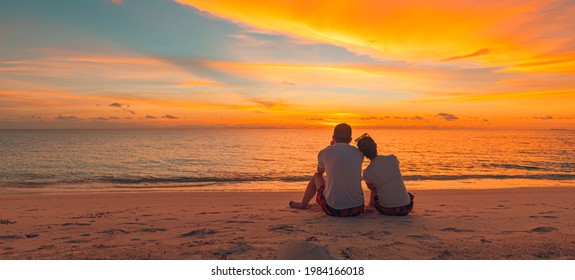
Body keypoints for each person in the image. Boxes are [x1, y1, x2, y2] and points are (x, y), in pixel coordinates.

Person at [289, 123, 365, 217]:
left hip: (333, 210)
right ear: (350, 139)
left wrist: (331, 147)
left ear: (333, 137)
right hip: (357, 209)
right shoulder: (359, 153)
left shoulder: (324, 152)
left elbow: (320, 172)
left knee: (316, 176)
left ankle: (302, 205)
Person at [355, 133, 414, 216]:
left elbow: (372, 189)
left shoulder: (367, 172)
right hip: (407, 207)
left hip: (387, 209)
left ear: (363, 154)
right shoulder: (392, 158)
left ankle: (371, 205)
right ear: (375, 145)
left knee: (375, 186)